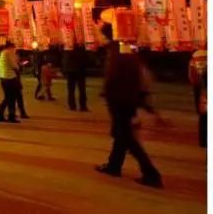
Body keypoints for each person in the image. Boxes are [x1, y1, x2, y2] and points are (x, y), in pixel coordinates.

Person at [95, 27, 163, 188]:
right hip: (128, 98)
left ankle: (151, 174)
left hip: (120, 99)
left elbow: (113, 75)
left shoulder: (116, 51)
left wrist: (106, 91)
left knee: (127, 138)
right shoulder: (126, 48)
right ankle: (114, 166)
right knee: (121, 135)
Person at [0, 42, 20, 123]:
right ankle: (10, 116)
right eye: (14, 48)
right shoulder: (8, 53)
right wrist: (18, 65)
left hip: (3, 78)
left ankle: (1, 115)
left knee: (7, 97)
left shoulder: (2, 53)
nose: (14, 50)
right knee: (11, 98)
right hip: (10, 78)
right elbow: (14, 66)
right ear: (10, 47)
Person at [188, 47, 207, 148]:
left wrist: (195, 85)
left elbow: (191, 73)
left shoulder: (195, 56)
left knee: (203, 116)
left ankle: (203, 141)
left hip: (200, 89)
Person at [63, 43, 89, 112]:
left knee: (72, 89)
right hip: (79, 69)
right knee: (81, 88)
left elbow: (65, 57)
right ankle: (82, 106)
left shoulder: (67, 45)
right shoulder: (80, 45)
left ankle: (72, 105)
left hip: (71, 69)